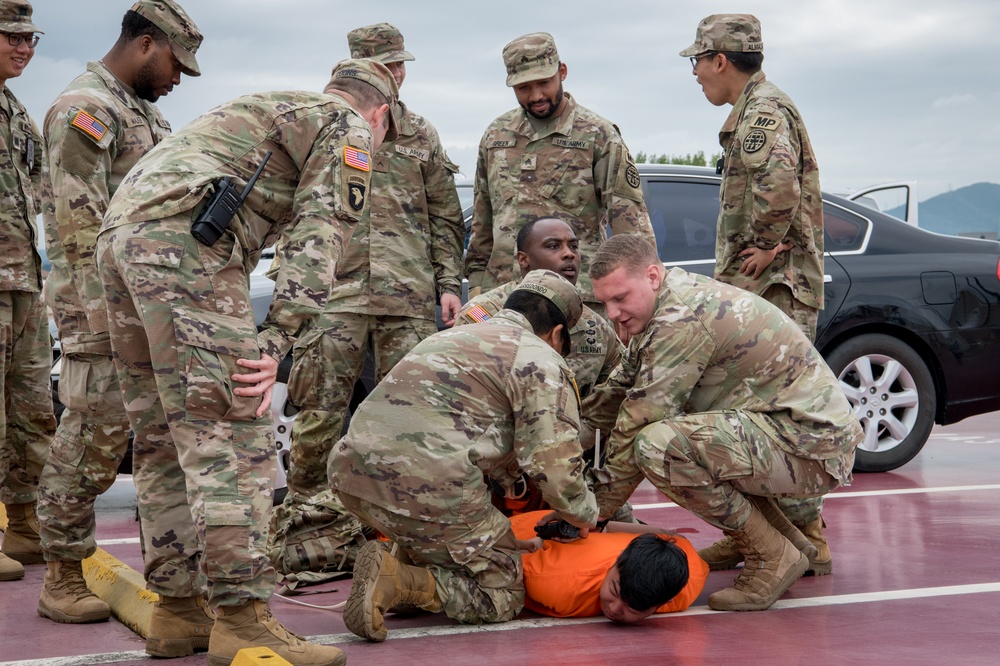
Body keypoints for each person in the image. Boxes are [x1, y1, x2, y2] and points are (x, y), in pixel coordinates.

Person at [95, 58, 399, 666]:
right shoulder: (348, 126)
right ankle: (243, 618)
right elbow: (322, 233)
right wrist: (277, 339)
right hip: (187, 245)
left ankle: (178, 611)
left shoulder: (278, 108)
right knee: (232, 434)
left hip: (122, 236)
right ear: (382, 114)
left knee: (162, 436)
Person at [35, 0, 204, 639]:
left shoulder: (141, 113)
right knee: (93, 438)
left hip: (141, 306)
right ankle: (62, 573)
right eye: (175, 64)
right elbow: (80, 228)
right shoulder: (88, 110)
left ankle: (172, 572)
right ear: (145, 44)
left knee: (146, 442)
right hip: (101, 308)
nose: (178, 78)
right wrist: (107, 314)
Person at [585, 234, 862, 612]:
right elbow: (618, 392)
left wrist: (590, 512)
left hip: (810, 447)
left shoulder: (679, 317)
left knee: (659, 446)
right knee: (691, 438)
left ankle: (771, 555)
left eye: (619, 298)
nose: (612, 313)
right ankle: (786, 544)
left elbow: (640, 417)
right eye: (604, 303)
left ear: (652, 276)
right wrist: (566, 430)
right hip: (787, 434)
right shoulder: (662, 306)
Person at [330, 269, 598, 642]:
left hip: (349, 475)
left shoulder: (452, 335)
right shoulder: (540, 358)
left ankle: (405, 569)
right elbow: (554, 467)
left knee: (460, 537)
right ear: (557, 333)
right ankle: (400, 578)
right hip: (425, 486)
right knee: (502, 594)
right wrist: (581, 515)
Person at [279, 22, 464, 510]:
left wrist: (448, 283)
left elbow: (444, 214)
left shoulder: (421, 133)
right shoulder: (322, 124)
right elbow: (289, 210)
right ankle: (305, 510)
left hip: (407, 296)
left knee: (408, 410)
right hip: (335, 293)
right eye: (387, 65)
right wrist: (289, 279)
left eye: (400, 64)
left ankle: (397, 511)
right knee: (320, 407)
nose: (398, 73)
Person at [680, 14, 831, 574]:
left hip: (777, 287)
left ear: (721, 60)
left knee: (779, 416)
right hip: (770, 286)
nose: (695, 73)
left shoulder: (762, 112)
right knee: (758, 413)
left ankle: (803, 539)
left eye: (697, 61)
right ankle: (774, 534)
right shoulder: (757, 108)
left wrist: (767, 245)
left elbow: (780, 184)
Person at [465, 31, 655, 309]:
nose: (536, 95)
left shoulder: (597, 134)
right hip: (506, 297)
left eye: (544, 83)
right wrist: (478, 286)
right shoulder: (496, 135)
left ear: (562, 72)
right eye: (523, 88)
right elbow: (483, 221)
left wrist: (635, 291)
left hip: (576, 298)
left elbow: (630, 222)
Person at [455, 216, 625, 515]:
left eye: (573, 245)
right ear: (523, 259)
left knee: (618, 539)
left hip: (565, 465)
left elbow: (620, 390)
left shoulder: (595, 327)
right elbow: (462, 408)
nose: (569, 253)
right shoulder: (484, 315)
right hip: (492, 469)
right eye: (553, 246)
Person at [0, 0, 55, 584]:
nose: (24, 48)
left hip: (22, 281)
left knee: (32, 410)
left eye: (30, 39)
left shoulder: (16, 111)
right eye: (11, 37)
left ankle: (23, 522)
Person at [509, 510, 707, 621]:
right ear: (619, 559)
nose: (614, 608)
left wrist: (604, 527)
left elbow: (674, 538)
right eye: (614, 588)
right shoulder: (555, 583)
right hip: (520, 531)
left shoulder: (690, 578)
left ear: (666, 602)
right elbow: (498, 556)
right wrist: (601, 525)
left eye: (634, 609)